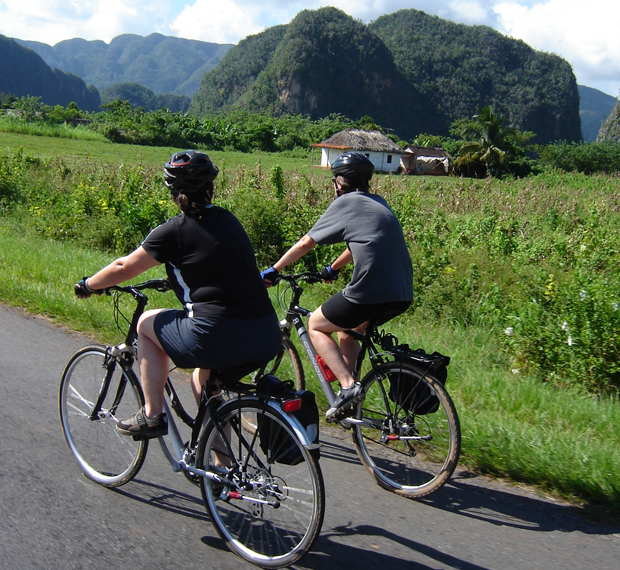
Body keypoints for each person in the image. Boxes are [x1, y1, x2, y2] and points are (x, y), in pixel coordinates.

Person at [75, 150, 281, 439]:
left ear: (173, 191)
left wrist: (87, 285)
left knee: (145, 324)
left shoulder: (173, 231)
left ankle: (151, 415)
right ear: (210, 188)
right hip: (266, 336)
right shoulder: (229, 220)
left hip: (214, 335)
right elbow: (221, 266)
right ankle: (222, 472)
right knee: (204, 381)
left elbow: (124, 267)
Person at [261, 152, 413, 421]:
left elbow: (307, 242)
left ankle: (346, 386)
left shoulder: (346, 203)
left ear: (341, 183)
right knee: (349, 332)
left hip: (371, 290)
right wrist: (333, 268)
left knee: (316, 325)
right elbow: (362, 243)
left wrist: (275, 269)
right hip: (401, 292)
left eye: (335, 181)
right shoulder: (378, 202)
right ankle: (352, 401)